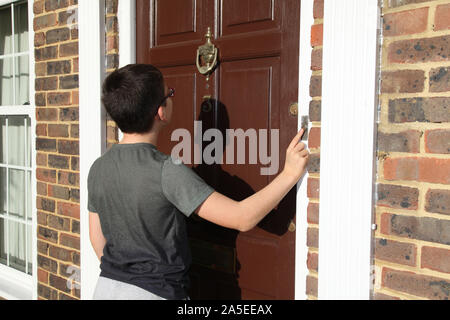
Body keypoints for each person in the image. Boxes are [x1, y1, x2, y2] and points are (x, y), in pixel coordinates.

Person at [88, 64, 309, 300]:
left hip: (106, 290)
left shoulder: (98, 167)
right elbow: (242, 218)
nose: (172, 97)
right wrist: (289, 174)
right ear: (160, 112)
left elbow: (97, 238)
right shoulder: (167, 170)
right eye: (169, 94)